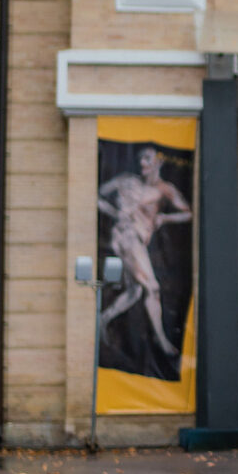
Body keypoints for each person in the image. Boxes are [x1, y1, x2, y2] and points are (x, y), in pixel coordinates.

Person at [96, 146, 192, 356]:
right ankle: (161, 340)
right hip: (127, 237)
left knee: (135, 291)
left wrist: (164, 218)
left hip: (139, 240)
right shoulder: (127, 180)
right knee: (152, 288)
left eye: (148, 159)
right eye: (140, 159)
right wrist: (114, 212)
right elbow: (97, 196)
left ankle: (103, 319)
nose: (142, 163)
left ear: (159, 162)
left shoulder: (164, 189)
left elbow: (187, 213)